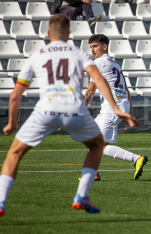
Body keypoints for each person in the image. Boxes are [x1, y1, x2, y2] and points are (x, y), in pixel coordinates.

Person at [0, 15, 139, 217]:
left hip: (45, 110)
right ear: (68, 35)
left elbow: (15, 95)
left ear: (48, 34)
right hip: (74, 109)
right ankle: (81, 195)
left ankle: (2, 201)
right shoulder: (79, 54)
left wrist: (12, 121)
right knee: (97, 146)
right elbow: (99, 80)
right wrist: (118, 110)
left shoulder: (38, 55)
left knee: (14, 153)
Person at [84, 34, 148, 181]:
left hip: (111, 108)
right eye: (91, 47)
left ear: (104, 47)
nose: (92, 50)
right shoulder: (115, 64)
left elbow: (90, 91)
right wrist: (129, 113)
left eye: (95, 46)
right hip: (120, 105)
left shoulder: (98, 63)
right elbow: (126, 90)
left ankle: (136, 158)